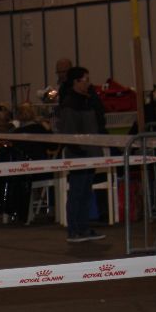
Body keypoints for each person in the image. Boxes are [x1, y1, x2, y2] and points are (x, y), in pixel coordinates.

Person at [58, 66, 106, 243]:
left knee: (86, 192)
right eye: (85, 79)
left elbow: (99, 122)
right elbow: (69, 131)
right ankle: (74, 230)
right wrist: (79, 149)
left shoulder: (89, 100)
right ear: (75, 82)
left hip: (91, 153)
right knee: (77, 193)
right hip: (78, 154)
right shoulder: (69, 104)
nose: (88, 82)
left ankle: (84, 228)